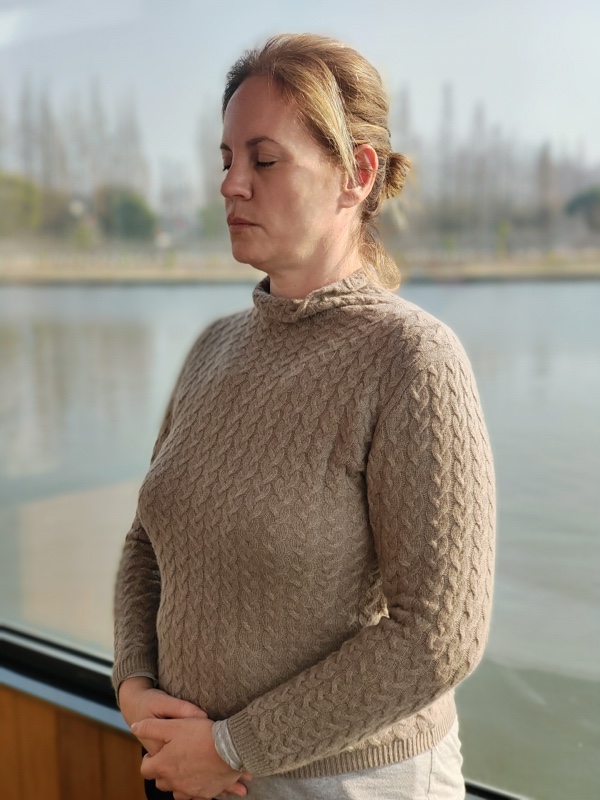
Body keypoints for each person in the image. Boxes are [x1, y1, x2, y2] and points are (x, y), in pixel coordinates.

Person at [113, 33, 496, 800]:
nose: (231, 185)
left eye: (264, 159)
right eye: (226, 159)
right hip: (188, 770)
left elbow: (439, 634)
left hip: (349, 783)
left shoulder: (413, 360)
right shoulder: (212, 348)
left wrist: (233, 747)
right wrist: (135, 684)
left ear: (357, 174)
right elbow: (146, 542)